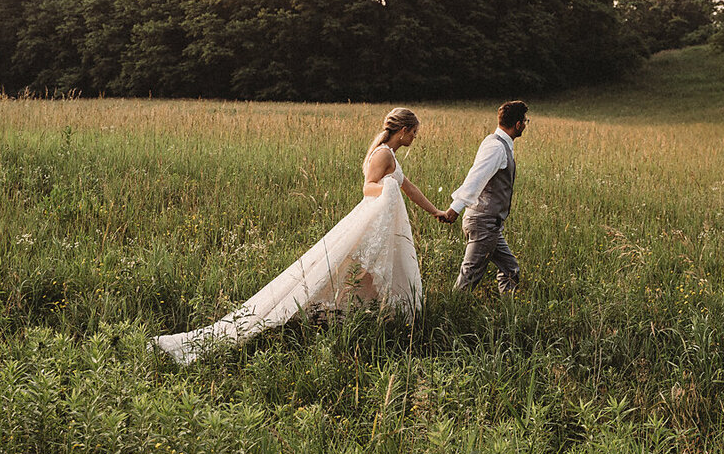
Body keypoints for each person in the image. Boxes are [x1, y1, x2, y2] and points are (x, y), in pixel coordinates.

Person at [152, 107, 443, 365]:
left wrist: (436, 212)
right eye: (414, 133)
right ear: (404, 130)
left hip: (377, 224)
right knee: (348, 270)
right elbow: (368, 188)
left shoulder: (390, 154)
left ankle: (362, 321)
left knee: (365, 275)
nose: (415, 138)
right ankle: (333, 320)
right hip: (368, 223)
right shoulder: (381, 154)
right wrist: (388, 191)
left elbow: (409, 187)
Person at [440, 100, 527, 293]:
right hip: (484, 223)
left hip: (490, 223)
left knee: (510, 269)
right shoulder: (496, 147)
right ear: (518, 124)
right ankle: (450, 312)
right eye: (525, 121)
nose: (525, 125)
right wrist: (454, 209)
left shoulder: (496, 143)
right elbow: (476, 178)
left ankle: (509, 310)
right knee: (469, 278)